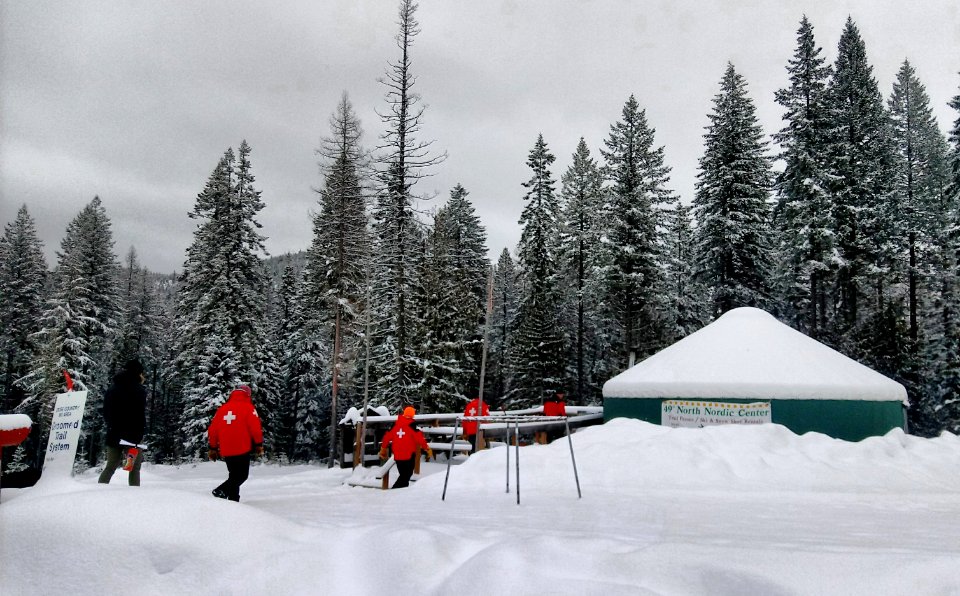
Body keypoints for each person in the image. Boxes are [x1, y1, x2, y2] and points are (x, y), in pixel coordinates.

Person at [207, 384, 263, 502]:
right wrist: (258, 444)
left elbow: (213, 429)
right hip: (242, 447)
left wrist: (213, 447)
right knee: (242, 476)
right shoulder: (248, 408)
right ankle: (221, 490)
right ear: (247, 395)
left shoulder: (222, 409)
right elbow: (255, 428)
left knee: (233, 475)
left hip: (226, 448)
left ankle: (233, 501)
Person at [98, 359, 147, 486]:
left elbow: (106, 412)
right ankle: (134, 494)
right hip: (133, 438)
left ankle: (98, 492)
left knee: (110, 467)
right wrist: (140, 434)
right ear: (138, 373)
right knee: (133, 468)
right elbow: (139, 415)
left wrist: (111, 427)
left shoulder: (113, 388)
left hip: (114, 435)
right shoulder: (139, 390)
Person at [379, 406, 431, 489]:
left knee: (403, 475)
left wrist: (383, 448)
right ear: (413, 415)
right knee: (405, 476)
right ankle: (394, 492)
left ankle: (402, 492)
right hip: (409, 455)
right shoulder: (412, 425)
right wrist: (427, 448)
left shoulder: (395, 424)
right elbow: (420, 439)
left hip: (397, 455)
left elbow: (387, 437)